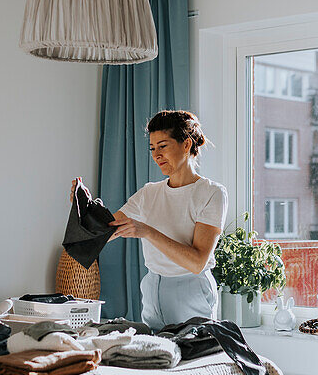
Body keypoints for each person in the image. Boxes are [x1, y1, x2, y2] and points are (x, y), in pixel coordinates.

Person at [72, 110, 228, 330]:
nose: (156, 155)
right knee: (156, 357)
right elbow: (103, 233)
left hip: (191, 290)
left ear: (186, 145)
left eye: (163, 146)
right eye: (153, 148)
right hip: (153, 287)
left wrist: (147, 231)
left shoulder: (211, 193)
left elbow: (196, 262)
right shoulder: (148, 193)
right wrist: (83, 205)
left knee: (194, 355)